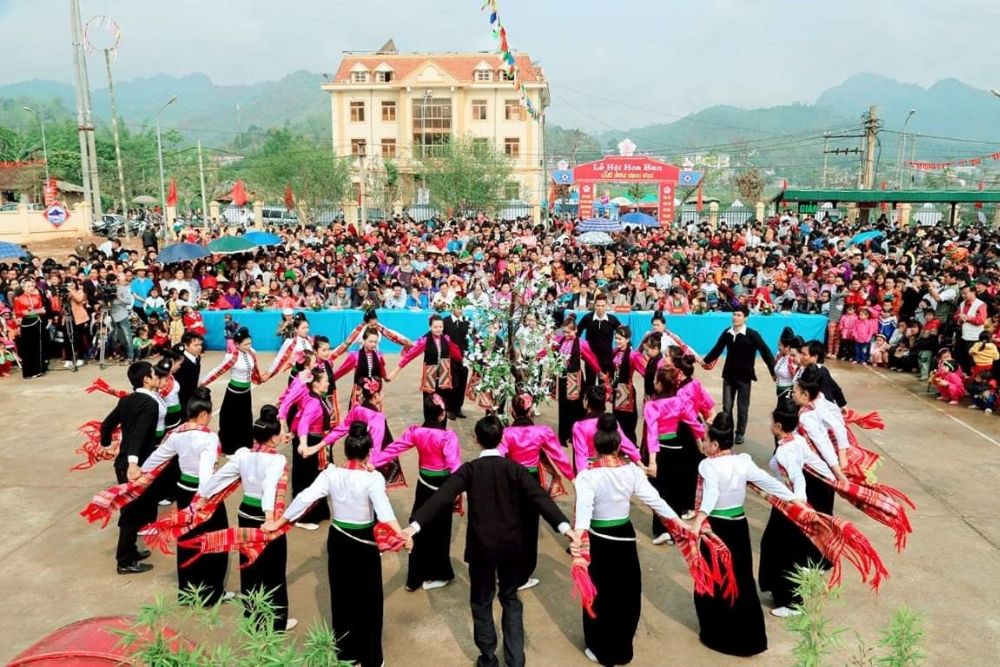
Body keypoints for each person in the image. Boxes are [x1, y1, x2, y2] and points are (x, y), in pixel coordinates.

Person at [402, 416, 577, 667]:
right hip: (512, 547)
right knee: (510, 600)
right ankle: (516, 660)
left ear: (476, 438)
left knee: (482, 602)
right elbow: (540, 497)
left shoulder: (470, 470)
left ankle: (488, 658)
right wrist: (565, 527)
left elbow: (442, 497)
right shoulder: (515, 469)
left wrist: (414, 526)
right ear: (502, 437)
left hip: (481, 548)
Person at [269, 422, 406, 667]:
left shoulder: (331, 474)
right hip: (364, 543)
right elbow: (385, 514)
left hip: (339, 540)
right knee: (369, 598)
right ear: (368, 452)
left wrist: (280, 521)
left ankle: (346, 655)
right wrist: (403, 535)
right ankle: (372, 657)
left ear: (346, 451)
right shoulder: (372, 479)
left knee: (342, 596)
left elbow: (304, 497)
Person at [690, 413, 804, 657]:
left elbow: (710, 495)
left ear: (715, 445)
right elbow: (767, 482)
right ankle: (749, 636)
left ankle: (717, 631)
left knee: (714, 579)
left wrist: (699, 519)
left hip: (717, 530)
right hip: (739, 527)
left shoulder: (708, 465)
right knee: (741, 580)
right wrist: (795, 499)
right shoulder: (743, 462)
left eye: (705, 440)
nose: (702, 443)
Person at [573, 414, 681, 666]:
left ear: (595, 448)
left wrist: (578, 541)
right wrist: (679, 524)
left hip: (600, 541)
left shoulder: (588, 477)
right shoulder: (631, 471)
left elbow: (583, 515)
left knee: (599, 594)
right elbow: (656, 501)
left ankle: (600, 647)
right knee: (627, 593)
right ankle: (622, 647)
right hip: (625, 537)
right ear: (619, 445)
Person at [200, 405, 295, 632]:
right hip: (264, 518)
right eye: (280, 432)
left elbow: (219, 477)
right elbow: (270, 488)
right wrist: (270, 517)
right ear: (273, 438)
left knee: (250, 566)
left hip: (245, 514)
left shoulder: (243, 456)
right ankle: (276, 621)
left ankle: (252, 616)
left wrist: (204, 495)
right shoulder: (277, 460)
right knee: (273, 569)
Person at [139, 387, 230, 604]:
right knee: (214, 541)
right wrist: (204, 497)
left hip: (184, 490)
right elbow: (207, 470)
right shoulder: (208, 438)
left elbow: (158, 457)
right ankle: (212, 592)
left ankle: (188, 591)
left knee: (187, 540)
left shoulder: (176, 435)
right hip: (204, 495)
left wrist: (140, 471)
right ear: (204, 414)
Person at [370, 394, 461, 592]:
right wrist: (458, 490)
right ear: (442, 414)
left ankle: (415, 577)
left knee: (417, 525)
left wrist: (372, 462)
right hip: (443, 487)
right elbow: (455, 467)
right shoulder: (447, 437)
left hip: (424, 485)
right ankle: (441, 573)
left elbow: (394, 449)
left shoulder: (416, 432)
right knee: (441, 531)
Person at [758, 404, 834, 617]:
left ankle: (791, 602)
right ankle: (779, 590)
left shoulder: (786, 450)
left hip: (789, 506)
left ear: (779, 425)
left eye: (771, 421)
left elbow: (797, 478)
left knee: (781, 551)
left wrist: (800, 505)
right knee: (777, 547)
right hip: (786, 503)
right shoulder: (797, 440)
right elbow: (815, 464)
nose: (769, 425)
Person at [498, 392, 575, 589]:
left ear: (512, 411)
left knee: (510, 525)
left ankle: (505, 570)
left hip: (512, 481)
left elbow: (497, 458)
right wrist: (573, 478)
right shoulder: (542, 432)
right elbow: (559, 456)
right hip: (532, 482)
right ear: (531, 410)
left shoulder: (506, 434)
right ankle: (522, 576)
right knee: (529, 528)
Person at [99, 361, 165, 574]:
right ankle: (124, 561)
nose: (157, 375)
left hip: (124, 463)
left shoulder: (126, 400)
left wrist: (106, 444)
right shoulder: (150, 404)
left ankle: (131, 551)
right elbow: (139, 435)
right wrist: (133, 464)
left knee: (136, 509)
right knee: (131, 513)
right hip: (134, 466)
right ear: (147, 378)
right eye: (154, 373)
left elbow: (106, 424)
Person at [643, 365, 705, 543]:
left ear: (660, 385)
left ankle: (662, 529)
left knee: (659, 492)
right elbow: (694, 423)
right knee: (676, 489)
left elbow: (652, 434)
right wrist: (702, 439)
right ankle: (674, 531)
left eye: (656, 380)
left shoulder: (652, 405)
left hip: (662, 450)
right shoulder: (679, 402)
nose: (654, 383)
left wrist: (653, 460)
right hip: (678, 449)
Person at [701, 305, 776, 445]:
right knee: (727, 407)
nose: (735, 317)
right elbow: (717, 349)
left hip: (744, 377)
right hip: (729, 376)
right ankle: (727, 432)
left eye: (739, 315)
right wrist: (704, 361)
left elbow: (765, 351)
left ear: (745, 318)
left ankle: (740, 433)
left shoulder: (752, 334)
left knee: (742, 407)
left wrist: (773, 371)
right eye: (734, 314)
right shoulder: (727, 333)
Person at [199, 327, 266, 455]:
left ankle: (245, 444)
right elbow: (218, 371)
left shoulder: (251, 352)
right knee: (229, 420)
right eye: (245, 344)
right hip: (233, 393)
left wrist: (260, 378)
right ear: (237, 344)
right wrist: (203, 383)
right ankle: (228, 447)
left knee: (245, 419)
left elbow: (255, 368)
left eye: (249, 343)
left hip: (246, 392)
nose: (248, 346)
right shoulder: (231, 357)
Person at [388, 313, 463, 422]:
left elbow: (457, 354)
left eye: (440, 327)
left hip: (444, 378)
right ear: (430, 327)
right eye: (435, 327)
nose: (438, 329)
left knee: (443, 403)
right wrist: (396, 370)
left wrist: (466, 360)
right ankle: (429, 424)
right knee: (429, 402)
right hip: (430, 378)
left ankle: (442, 425)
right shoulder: (425, 341)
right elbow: (410, 356)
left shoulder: (446, 339)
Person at [287, 368, 336, 529]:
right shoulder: (314, 402)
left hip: (317, 442)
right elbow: (304, 422)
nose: (329, 383)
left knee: (317, 477)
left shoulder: (316, 397)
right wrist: (303, 443)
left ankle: (318, 512)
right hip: (312, 442)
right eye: (325, 381)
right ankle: (304, 517)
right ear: (315, 384)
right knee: (310, 480)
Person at [571, 384, 643, 475]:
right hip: (610, 468)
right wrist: (640, 463)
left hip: (592, 470)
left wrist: (583, 477)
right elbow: (625, 443)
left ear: (586, 402)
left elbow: (581, 455)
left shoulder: (580, 426)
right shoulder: (611, 421)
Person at [554, 316, 602, 447]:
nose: (566, 334)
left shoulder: (581, 343)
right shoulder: (559, 340)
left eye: (569, 332)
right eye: (564, 332)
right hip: (562, 378)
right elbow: (547, 350)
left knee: (575, 408)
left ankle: (574, 435)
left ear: (575, 330)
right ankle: (563, 436)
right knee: (563, 407)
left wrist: (600, 372)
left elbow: (591, 359)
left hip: (574, 379)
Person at [608, 325, 644, 447]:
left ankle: (630, 446)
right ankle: (619, 445)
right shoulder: (615, 352)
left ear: (628, 339)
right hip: (617, 390)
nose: (617, 341)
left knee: (628, 421)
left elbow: (645, 371)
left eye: (620, 339)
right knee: (617, 419)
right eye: (616, 338)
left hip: (627, 391)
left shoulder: (633, 355)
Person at [576, 293, 621, 374]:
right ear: (594, 305)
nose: (600, 308)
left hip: (607, 357)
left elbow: (622, 333)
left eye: (603, 306)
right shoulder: (587, 318)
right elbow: (577, 332)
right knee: (590, 383)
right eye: (598, 305)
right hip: (590, 356)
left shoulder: (612, 319)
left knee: (605, 383)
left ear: (607, 306)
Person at [13, 277, 47, 378]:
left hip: (37, 322)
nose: (30, 287)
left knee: (38, 346)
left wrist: (32, 312)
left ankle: (39, 370)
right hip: (26, 323)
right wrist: (34, 311)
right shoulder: (19, 299)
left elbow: (43, 310)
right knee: (28, 347)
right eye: (28, 286)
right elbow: (20, 312)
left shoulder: (37, 297)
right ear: (23, 288)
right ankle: (29, 372)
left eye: (32, 285)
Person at [443, 303, 472, 419]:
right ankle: (449, 408)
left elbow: (473, 337)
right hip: (449, 358)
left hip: (464, 358)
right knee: (452, 383)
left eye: (462, 307)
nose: (460, 310)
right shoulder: (446, 321)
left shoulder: (467, 321)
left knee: (462, 383)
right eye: (458, 307)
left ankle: (458, 407)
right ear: (452, 308)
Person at [174, 332, 203, 413]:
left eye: (200, 345)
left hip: (192, 398)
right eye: (196, 345)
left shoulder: (197, 358)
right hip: (181, 399)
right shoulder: (180, 361)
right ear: (185, 346)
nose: (199, 347)